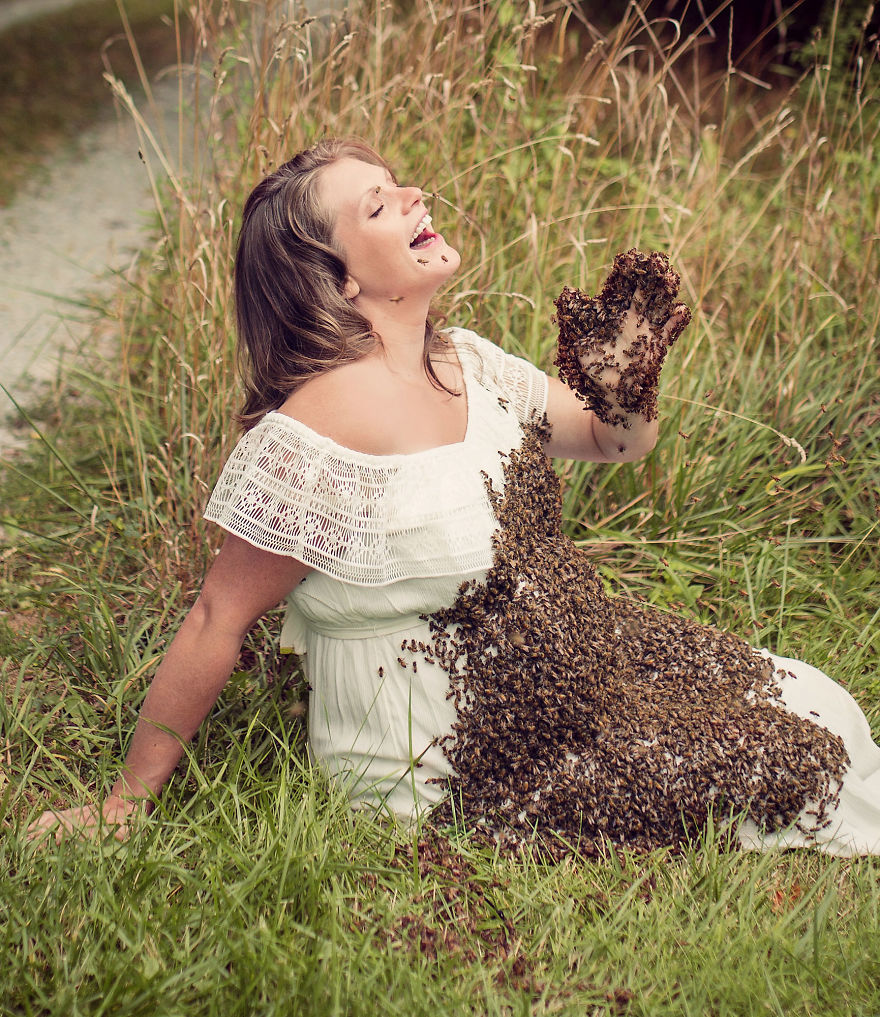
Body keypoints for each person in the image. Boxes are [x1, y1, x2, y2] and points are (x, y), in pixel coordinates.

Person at [28, 138, 880, 854]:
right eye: (376, 206)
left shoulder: (464, 360)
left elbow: (613, 441)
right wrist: (124, 801)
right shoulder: (317, 430)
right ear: (337, 280)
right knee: (796, 757)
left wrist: (623, 373)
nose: (411, 196)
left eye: (396, 185)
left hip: (564, 670)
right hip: (449, 750)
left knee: (822, 702)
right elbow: (219, 614)